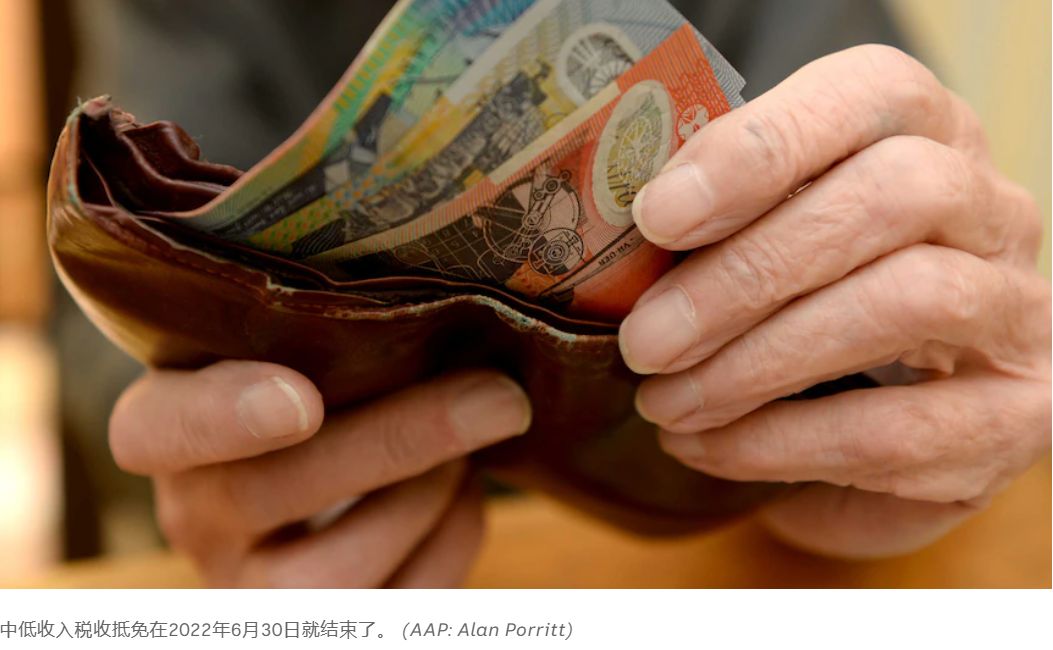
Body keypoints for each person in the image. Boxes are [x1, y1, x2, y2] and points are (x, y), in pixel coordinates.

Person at [60, 0, 1048, 585]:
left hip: (758, 552)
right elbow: (113, 314)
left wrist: (949, 359)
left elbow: (903, 219)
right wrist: (196, 441)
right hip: (387, 563)